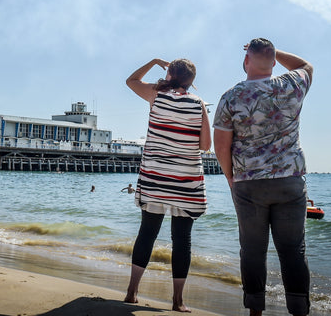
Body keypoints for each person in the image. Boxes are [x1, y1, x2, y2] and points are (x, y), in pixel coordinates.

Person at [213, 39, 313, 316]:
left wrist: (231, 178)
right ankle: (299, 311)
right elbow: (306, 65)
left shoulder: (231, 96)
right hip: (289, 179)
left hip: (248, 182)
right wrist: (273, 53)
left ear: (246, 61)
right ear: (272, 62)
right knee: (293, 250)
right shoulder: (291, 85)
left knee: (253, 250)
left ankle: (255, 311)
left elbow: (221, 146)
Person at [123, 58, 211, 313]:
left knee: (147, 233)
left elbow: (131, 81)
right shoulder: (199, 104)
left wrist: (152, 61)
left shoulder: (156, 94)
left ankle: (132, 292)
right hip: (186, 181)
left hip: (155, 178)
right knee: (182, 240)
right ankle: (177, 301)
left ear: (170, 73)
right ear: (191, 81)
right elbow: (206, 146)